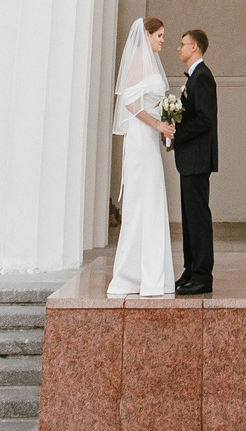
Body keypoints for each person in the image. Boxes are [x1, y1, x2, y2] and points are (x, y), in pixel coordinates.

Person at [105, 17, 175, 298]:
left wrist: (164, 125)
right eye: (158, 35)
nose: (162, 40)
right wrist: (157, 124)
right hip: (139, 139)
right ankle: (133, 276)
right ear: (146, 35)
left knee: (152, 199)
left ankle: (151, 276)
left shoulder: (149, 64)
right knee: (142, 201)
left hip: (149, 140)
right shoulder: (136, 60)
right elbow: (130, 102)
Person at [172, 28, 217, 295]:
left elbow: (204, 120)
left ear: (195, 47)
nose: (179, 48)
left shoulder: (202, 77)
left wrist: (177, 134)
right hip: (190, 160)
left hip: (197, 158)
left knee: (198, 218)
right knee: (190, 218)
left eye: (183, 44)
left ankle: (202, 275)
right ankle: (190, 270)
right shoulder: (193, 77)